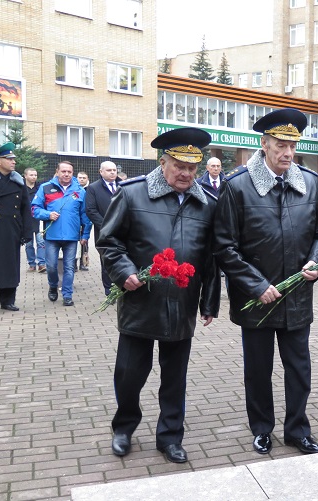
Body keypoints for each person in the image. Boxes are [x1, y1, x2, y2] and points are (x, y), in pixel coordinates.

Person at [97, 127, 220, 464]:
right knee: (129, 373)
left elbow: (211, 258)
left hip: (182, 303)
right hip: (141, 301)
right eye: (179, 166)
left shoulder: (208, 203)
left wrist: (210, 301)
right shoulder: (132, 194)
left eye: (192, 168)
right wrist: (124, 273)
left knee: (174, 378)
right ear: (163, 162)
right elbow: (109, 240)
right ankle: (123, 427)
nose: (186, 174)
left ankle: (169, 437)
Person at [214, 108, 318, 456]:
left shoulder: (308, 182)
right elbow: (224, 246)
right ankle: (262, 429)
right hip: (257, 300)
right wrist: (255, 285)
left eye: (292, 145)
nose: (288, 153)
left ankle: (297, 429)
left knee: (299, 368)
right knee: (259, 370)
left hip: (296, 296)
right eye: (280, 144)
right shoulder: (238, 186)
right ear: (263, 144)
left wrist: (317, 260)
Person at [31, 161, 91, 307]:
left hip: (72, 237)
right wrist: (47, 214)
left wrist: (85, 235)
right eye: (63, 171)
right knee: (51, 266)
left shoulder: (80, 191)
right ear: (57, 171)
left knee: (69, 267)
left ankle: (67, 295)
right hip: (52, 236)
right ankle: (53, 286)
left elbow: (85, 215)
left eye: (69, 172)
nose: (66, 174)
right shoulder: (45, 188)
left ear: (72, 173)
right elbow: (34, 209)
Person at [0, 143, 30, 316]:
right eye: (9, 159)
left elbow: (25, 208)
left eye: (14, 159)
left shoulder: (17, 181)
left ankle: (8, 301)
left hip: (12, 230)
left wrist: (27, 231)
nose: (13, 162)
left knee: (10, 266)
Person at [84, 161, 119, 295]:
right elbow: (91, 210)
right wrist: (107, 226)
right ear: (101, 172)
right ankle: (108, 289)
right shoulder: (93, 188)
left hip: (123, 231)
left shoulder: (123, 185)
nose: (112, 172)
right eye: (109, 170)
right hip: (104, 232)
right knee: (107, 260)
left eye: (114, 170)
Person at [23, 167, 46, 273]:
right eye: (31, 175)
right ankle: (31, 264)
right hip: (26, 219)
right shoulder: (21, 188)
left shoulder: (40, 188)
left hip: (38, 219)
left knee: (41, 242)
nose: (34, 177)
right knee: (28, 244)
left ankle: (41, 263)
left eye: (35, 175)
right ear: (25, 176)